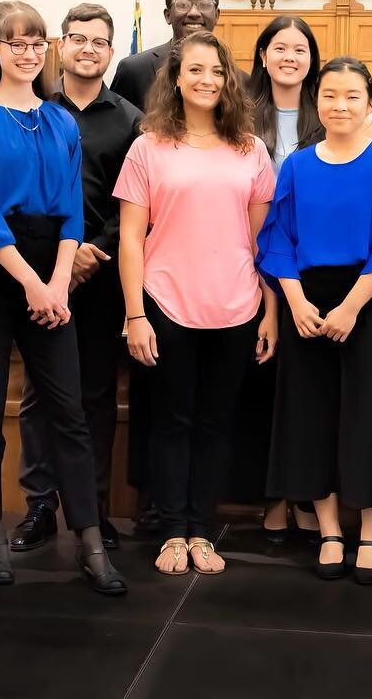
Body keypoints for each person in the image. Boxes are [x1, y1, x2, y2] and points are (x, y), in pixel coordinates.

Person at [0, 0, 126, 594]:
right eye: (15, 43)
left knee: (70, 412)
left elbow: (72, 212)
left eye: (36, 43)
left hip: (53, 267)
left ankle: (90, 542)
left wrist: (56, 284)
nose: (28, 54)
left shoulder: (59, 123)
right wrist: (32, 282)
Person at [114, 30, 277, 577]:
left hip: (236, 306)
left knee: (215, 424)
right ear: (176, 79)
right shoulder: (148, 146)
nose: (206, 80)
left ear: (229, 81)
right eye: (195, 70)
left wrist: (271, 310)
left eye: (216, 71)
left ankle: (202, 531)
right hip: (165, 304)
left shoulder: (251, 149)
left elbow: (265, 243)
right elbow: (130, 238)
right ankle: (172, 532)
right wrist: (135, 313)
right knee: (171, 423)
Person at [258, 57, 372, 583]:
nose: (340, 105)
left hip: (370, 301)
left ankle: (370, 532)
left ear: (369, 102)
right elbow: (277, 237)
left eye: (352, 96)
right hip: (307, 298)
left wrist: (350, 306)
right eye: (330, 95)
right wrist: (297, 301)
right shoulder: (298, 165)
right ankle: (329, 529)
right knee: (313, 416)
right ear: (317, 101)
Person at [13, 4, 142, 553]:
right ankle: (39, 506)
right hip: (42, 276)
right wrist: (60, 259)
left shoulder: (131, 119)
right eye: (78, 39)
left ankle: (91, 510)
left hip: (105, 274)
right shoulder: (30, 110)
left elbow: (136, 200)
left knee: (94, 394)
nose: (88, 48)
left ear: (112, 53)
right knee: (41, 393)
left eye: (99, 41)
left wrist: (94, 251)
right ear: (60, 47)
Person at [236, 15, 324, 542]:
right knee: (264, 389)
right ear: (263, 55)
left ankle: (307, 495)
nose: (290, 57)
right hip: (247, 260)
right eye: (280, 47)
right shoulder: (242, 111)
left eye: (300, 49)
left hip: (315, 267)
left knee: (309, 393)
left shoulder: (329, 108)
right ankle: (271, 497)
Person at [110, 0, 221, 110]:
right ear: (168, 15)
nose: (194, 12)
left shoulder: (238, 79)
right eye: (183, 5)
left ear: (217, 15)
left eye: (204, 5)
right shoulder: (133, 70)